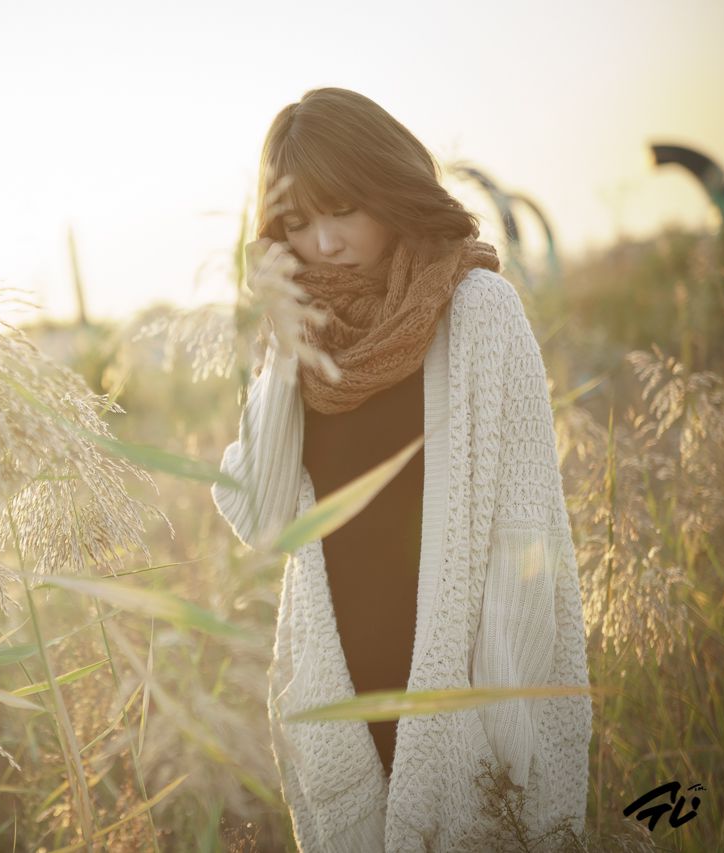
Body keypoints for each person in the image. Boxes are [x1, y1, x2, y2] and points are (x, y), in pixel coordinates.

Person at [210, 88, 592, 852]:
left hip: (471, 695)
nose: (323, 243)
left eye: (342, 209)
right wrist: (281, 353)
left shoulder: (480, 311)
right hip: (345, 692)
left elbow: (528, 529)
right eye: (296, 224)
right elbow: (259, 516)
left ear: (388, 188)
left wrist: (505, 725)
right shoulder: (300, 342)